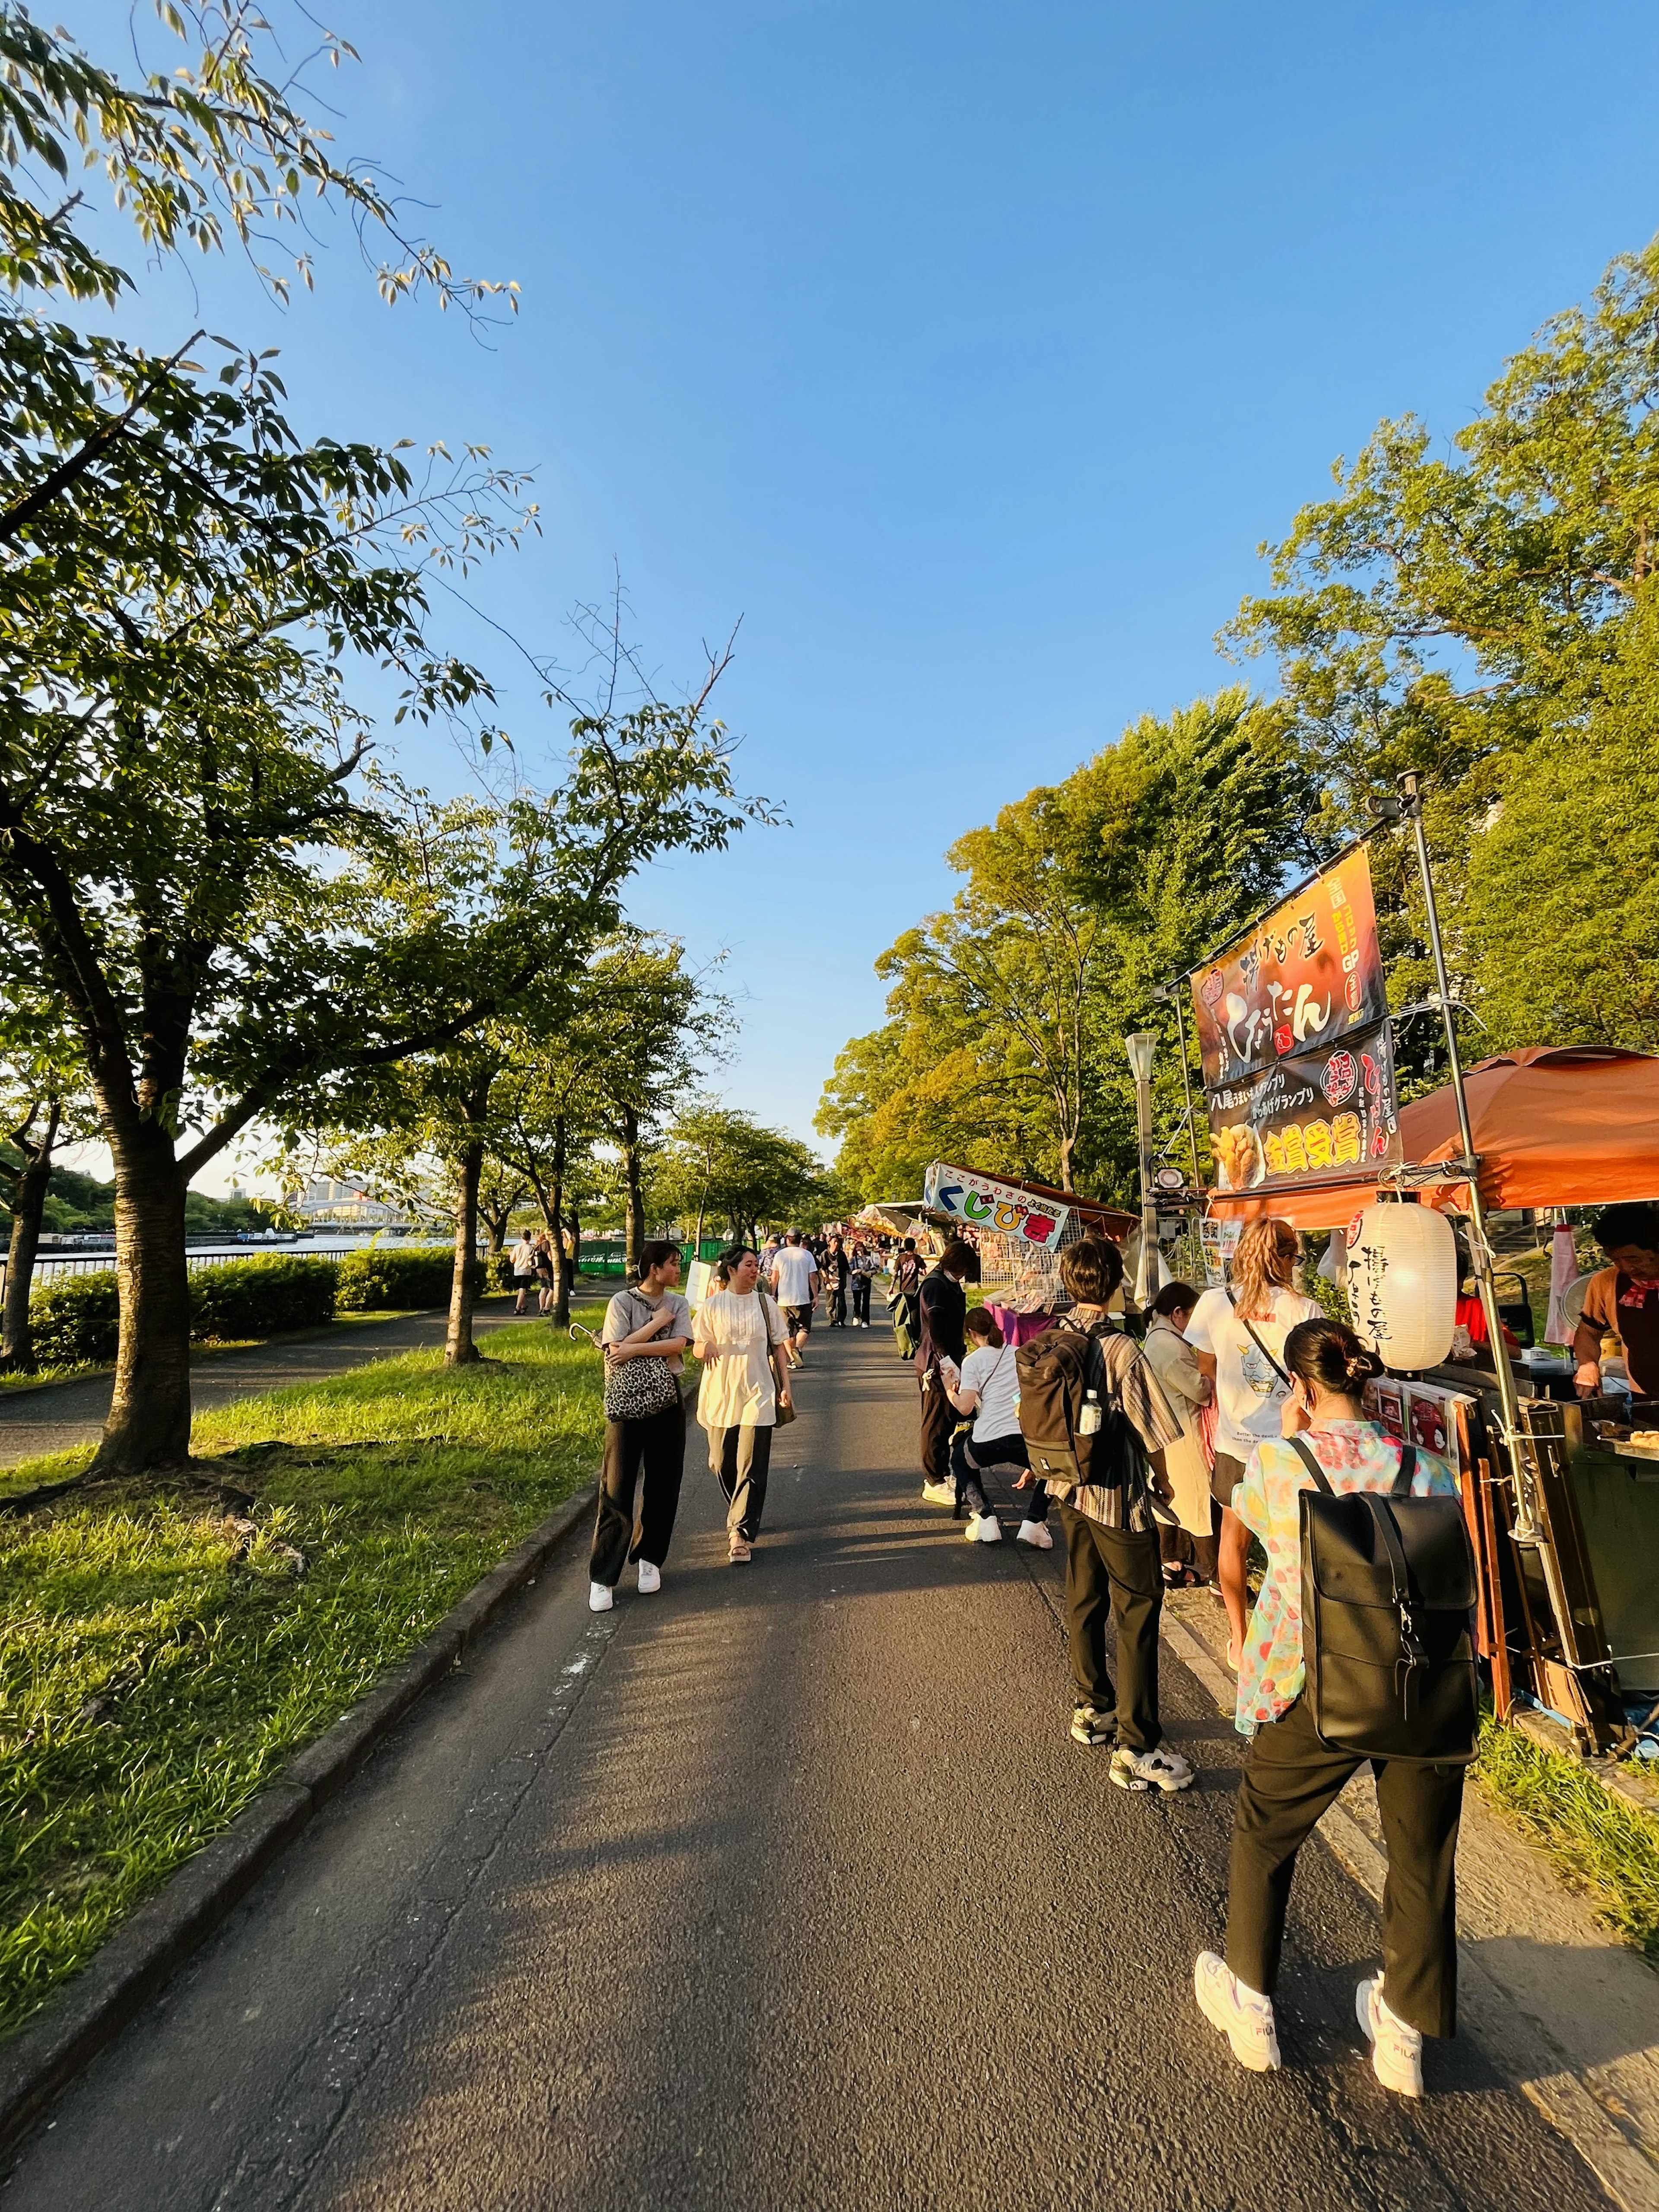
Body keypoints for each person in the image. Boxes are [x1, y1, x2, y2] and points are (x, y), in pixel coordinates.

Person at [1195, 1317, 1462, 2097]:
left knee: (1267, 1829)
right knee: (1420, 1852)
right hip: (1417, 1680)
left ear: (1304, 1388)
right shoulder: (1426, 1465)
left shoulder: (1281, 1462)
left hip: (1313, 1676)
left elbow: (1242, 1553)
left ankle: (1251, 2004)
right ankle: (1404, 2032)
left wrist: (1292, 1430)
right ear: (1365, 1379)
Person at [1043, 1236, 1193, 1792]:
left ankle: (1093, 1707)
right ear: (1114, 1282)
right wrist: (1165, 1476)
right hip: (1117, 1498)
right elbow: (1153, 1428)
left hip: (1069, 1489)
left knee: (1084, 1595)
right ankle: (1137, 1745)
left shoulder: (1054, 1337)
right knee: (1137, 1611)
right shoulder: (1121, 1348)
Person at [1184, 1218, 1321, 1669]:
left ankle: (1240, 1640)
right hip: (1290, 1447)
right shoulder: (1304, 1311)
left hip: (1235, 1443)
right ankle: (1297, 1636)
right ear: (1283, 1257)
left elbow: (1206, 1365)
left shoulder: (1213, 1304)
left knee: (1234, 1539)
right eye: (1295, 1256)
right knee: (1296, 1544)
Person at [588, 1242, 693, 1613]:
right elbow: (611, 1348)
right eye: (673, 1264)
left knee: (664, 1482)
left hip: (667, 1400)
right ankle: (603, 1576)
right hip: (625, 1402)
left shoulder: (679, 1304)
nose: (678, 1270)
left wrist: (633, 1348)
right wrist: (657, 1325)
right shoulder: (621, 1301)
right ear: (653, 1269)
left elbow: (679, 1346)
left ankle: (651, 1558)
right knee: (616, 1485)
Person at [694, 1244, 793, 1562]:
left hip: (759, 1388)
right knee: (722, 1462)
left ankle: (739, 1531)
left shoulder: (766, 1304)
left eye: (756, 1266)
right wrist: (705, 1347)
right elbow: (694, 1345)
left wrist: (786, 1387)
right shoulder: (711, 1306)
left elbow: (779, 1348)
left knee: (752, 1464)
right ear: (732, 1269)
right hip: (721, 1390)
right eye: (749, 1265)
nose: (755, 1271)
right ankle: (741, 1508)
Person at [943, 1306, 1052, 1547]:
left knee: (961, 1460)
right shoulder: (1019, 1354)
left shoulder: (972, 1362)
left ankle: (985, 1517)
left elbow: (965, 1408)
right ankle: (1035, 1521)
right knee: (1052, 1468)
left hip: (987, 1440)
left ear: (971, 1334)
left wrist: (951, 1393)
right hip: (1022, 1435)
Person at [1141, 1281, 1217, 1587]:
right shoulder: (1169, 1346)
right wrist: (1213, 1376)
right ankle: (1216, 1574)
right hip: (1185, 1431)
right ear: (1178, 1314)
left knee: (1171, 1500)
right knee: (1199, 1503)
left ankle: (1170, 1562)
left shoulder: (1157, 1337)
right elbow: (1199, 1390)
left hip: (1167, 1431)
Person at [1573, 1201, 1659, 1401]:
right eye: (1616, 1260)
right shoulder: (1606, 1283)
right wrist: (1587, 1364)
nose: (1627, 1268)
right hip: (1646, 1400)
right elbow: (1588, 1332)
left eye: (1634, 1259)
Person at [917, 1239, 975, 1506]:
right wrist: (946, 1363)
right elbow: (936, 1329)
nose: (964, 1275)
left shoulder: (946, 1283)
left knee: (948, 1418)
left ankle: (941, 1472)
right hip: (936, 1363)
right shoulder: (935, 1286)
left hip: (948, 1359)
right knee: (936, 1421)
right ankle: (934, 1480)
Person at [768, 1230, 820, 1367]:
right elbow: (813, 1277)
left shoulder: (780, 1255)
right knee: (804, 1328)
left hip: (784, 1301)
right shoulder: (807, 1255)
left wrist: (773, 1294)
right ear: (800, 1240)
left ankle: (792, 1358)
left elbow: (775, 1277)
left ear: (787, 1240)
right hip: (803, 1299)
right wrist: (815, 1295)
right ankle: (797, 1349)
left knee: (786, 1331)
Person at [888, 1239, 923, 1360]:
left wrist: (891, 1287)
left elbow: (895, 1274)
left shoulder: (901, 1258)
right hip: (914, 1292)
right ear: (914, 1246)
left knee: (902, 1315)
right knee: (914, 1316)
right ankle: (914, 1338)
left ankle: (904, 1337)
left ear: (904, 1246)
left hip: (903, 1292)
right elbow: (924, 1270)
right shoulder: (918, 1258)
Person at [821, 1232, 851, 1328]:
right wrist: (826, 1279)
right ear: (829, 1242)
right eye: (835, 1242)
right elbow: (821, 1268)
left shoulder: (842, 1255)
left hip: (840, 1281)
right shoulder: (825, 1254)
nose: (837, 1244)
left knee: (842, 1301)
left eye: (838, 1242)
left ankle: (841, 1320)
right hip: (829, 1281)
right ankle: (832, 1320)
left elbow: (846, 1268)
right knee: (831, 1301)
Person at [509, 1228, 539, 1317]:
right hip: (526, 1270)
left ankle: (523, 1306)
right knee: (523, 1289)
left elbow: (512, 1260)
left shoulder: (517, 1247)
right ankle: (518, 1307)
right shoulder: (531, 1248)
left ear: (521, 1238)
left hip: (517, 1269)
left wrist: (511, 1255)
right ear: (530, 1239)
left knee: (520, 1289)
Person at [849, 1237, 879, 1328]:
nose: (859, 1250)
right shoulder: (854, 1259)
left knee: (866, 1302)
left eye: (861, 1247)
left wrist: (870, 1273)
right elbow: (850, 1270)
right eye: (857, 1248)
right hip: (856, 1283)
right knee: (857, 1301)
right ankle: (856, 1316)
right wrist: (856, 1271)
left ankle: (865, 1321)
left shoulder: (869, 1258)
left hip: (866, 1283)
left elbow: (875, 1269)